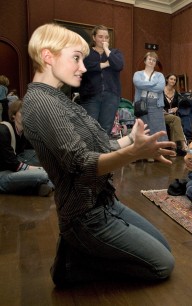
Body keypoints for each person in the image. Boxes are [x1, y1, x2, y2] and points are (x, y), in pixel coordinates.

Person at [23, 23, 175, 287]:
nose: (84, 67)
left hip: (104, 203)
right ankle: (72, 265)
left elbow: (100, 144)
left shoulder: (58, 98)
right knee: (162, 265)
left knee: (164, 247)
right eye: (76, 58)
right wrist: (134, 152)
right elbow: (82, 164)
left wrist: (130, 139)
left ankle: (82, 250)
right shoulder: (43, 103)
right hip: (84, 216)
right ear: (48, 56)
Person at [0, 99, 53, 196]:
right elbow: (14, 165)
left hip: (12, 171)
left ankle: (35, 188)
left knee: (44, 162)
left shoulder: (23, 133)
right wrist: (41, 169)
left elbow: (35, 153)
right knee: (43, 174)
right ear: (13, 115)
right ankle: (36, 187)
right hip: (3, 175)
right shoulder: (3, 131)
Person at [79, 25, 124, 135]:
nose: (104, 40)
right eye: (100, 37)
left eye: (106, 37)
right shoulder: (86, 53)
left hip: (111, 96)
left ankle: (103, 152)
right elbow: (85, 67)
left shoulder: (115, 53)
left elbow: (118, 65)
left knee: (105, 129)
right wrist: (106, 64)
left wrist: (107, 50)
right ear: (94, 37)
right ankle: (89, 152)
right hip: (90, 95)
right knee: (90, 128)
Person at [133, 52, 168, 144]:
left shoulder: (160, 75)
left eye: (154, 60)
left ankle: (156, 152)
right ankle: (144, 152)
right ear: (145, 60)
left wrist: (145, 86)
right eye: (149, 59)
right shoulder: (138, 74)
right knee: (143, 128)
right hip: (141, 105)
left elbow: (160, 88)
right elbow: (138, 83)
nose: (151, 61)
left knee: (157, 128)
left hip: (156, 106)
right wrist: (153, 83)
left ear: (156, 63)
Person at [163, 73, 188, 155]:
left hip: (172, 115)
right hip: (161, 114)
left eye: (174, 80)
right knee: (176, 119)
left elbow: (177, 105)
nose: (173, 81)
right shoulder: (161, 91)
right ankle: (183, 144)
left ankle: (173, 149)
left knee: (173, 122)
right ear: (167, 80)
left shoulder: (175, 92)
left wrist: (176, 108)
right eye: (171, 79)